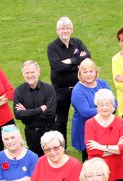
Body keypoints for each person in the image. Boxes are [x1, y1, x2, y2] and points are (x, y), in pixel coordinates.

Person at [47, 17, 91, 146]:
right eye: (62, 28)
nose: (65, 31)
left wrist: (70, 61)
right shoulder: (52, 47)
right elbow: (57, 67)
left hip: (80, 88)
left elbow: (88, 58)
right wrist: (78, 62)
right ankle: (62, 147)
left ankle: (85, 145)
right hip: (61, 90)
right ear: (57, 30)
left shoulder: (77, 42)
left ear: (71, 30)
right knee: (61, 120)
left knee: (84, 116)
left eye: (67, 28)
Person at [84, 89, 123, 181]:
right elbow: (92, 151)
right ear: (97, 106)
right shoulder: (90, 124)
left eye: (107, 104)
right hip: (98, 170)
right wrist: (117, 149)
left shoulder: (120, 121)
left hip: (118, 168)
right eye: (101, 105)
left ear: (113, 106)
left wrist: (101, 147)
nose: (104, 108)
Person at [71, 58, 114, 161]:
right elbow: (85, 112)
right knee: (90, 159)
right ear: (80, 74)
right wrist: (106, 109)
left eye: (91, 71)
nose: (88, 74)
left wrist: (112, 107)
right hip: (86, 129)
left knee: (106, 156)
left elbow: (113, 100)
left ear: (96, 72)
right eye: (85, 72)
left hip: (104, 126)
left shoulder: (102, 83)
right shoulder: (78, 90)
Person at [13, 60, 57, 156]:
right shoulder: (19, 91)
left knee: (52, 157)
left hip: (49, 131)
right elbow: (17, 114)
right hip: (31, 133)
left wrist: (27, 112)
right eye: (26, 73)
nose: (30, 75)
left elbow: (51, 114)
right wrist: (40, 109)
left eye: (32, 72)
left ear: (38, 72)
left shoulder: (49, 89)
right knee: (36, 160)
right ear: (23, 74)